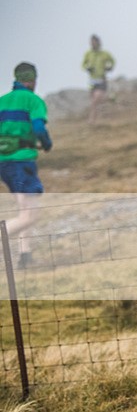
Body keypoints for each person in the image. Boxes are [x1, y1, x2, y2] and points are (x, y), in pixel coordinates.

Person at [0, 63, 52, 268]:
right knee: (31, 214)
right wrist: (46, 144)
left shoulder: (2, 101)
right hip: (21, 162)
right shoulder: (33, 100)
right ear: (33, 80)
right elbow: (39, 128)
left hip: (4, 164)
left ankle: (25, 256)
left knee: (25, 208)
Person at [82, 35, 115, 124]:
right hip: (92, 80)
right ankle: (109, 99)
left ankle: (91, 120)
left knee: (95, 101)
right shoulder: (88, 54)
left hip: (102, 79)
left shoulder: (104, 54)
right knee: (94, 101)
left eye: (94, 42)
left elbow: (112, 61)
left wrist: (109, 67)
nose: (92, 44)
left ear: (98, 42)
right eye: (91, 42)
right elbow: (83, 65)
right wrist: (87, 68)